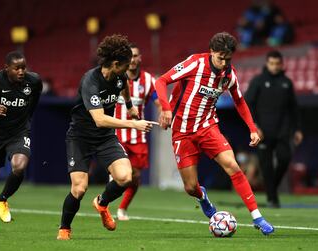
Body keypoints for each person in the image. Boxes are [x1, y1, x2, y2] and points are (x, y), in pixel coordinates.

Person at [155, 32, 274, 235]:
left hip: (208, 127)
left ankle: (258, 217)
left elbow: (239, 101)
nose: (224, 63)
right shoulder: (194, 63)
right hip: (182, 131)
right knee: (191, 187)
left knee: (233, 166)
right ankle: (202, 197)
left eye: (228, 59)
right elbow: (161, 81)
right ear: (211, 52)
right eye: (221, 58)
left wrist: (252, 128)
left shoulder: (229, 75)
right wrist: (166, 108)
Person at [56, 34, 156, 240]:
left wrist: (129, 107)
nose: (130, 68)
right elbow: (100, 119)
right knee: (79, 188)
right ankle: (64, 228)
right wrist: (133, 123)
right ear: (116, 63)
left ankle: (102, 203)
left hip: (105, 138)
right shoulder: (90, 82)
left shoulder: (120, 76)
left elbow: (124, 86)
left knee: (125, 177)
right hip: (80, 138)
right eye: (126, 65)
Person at [0, 51, 43, 233]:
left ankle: (2, 198)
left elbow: (35, 99)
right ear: (7, 69)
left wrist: (27, 119)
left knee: (19, 166)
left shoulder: (34, 81)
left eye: (23, 67)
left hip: (19, 132)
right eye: (17, 68)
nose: (21, 71)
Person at [245, 50, 303, 208]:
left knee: (285, 158)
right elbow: (247, 104)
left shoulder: (287, 83)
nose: (275, 67)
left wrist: (297, 129)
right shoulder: (258, 81)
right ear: (267, 63)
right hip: (263, 131)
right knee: (266, 166)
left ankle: (271, 189)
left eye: (277, 64)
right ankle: (272, 198)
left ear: (282, 64)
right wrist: (255, 125)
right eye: (271, 63)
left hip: (283, 131)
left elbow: (294, 108)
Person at [114, 44, 161, 221]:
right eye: (129, 56)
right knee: (121, 174)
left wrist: (165, 112)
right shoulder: (116, 78)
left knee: (135, 177)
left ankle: (122, 208)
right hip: (117, 134)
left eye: (135, 56)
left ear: (140, 58)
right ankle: (105, 198)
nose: (132, 60)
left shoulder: (148, 80)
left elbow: (157, 101)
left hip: (138, 136)